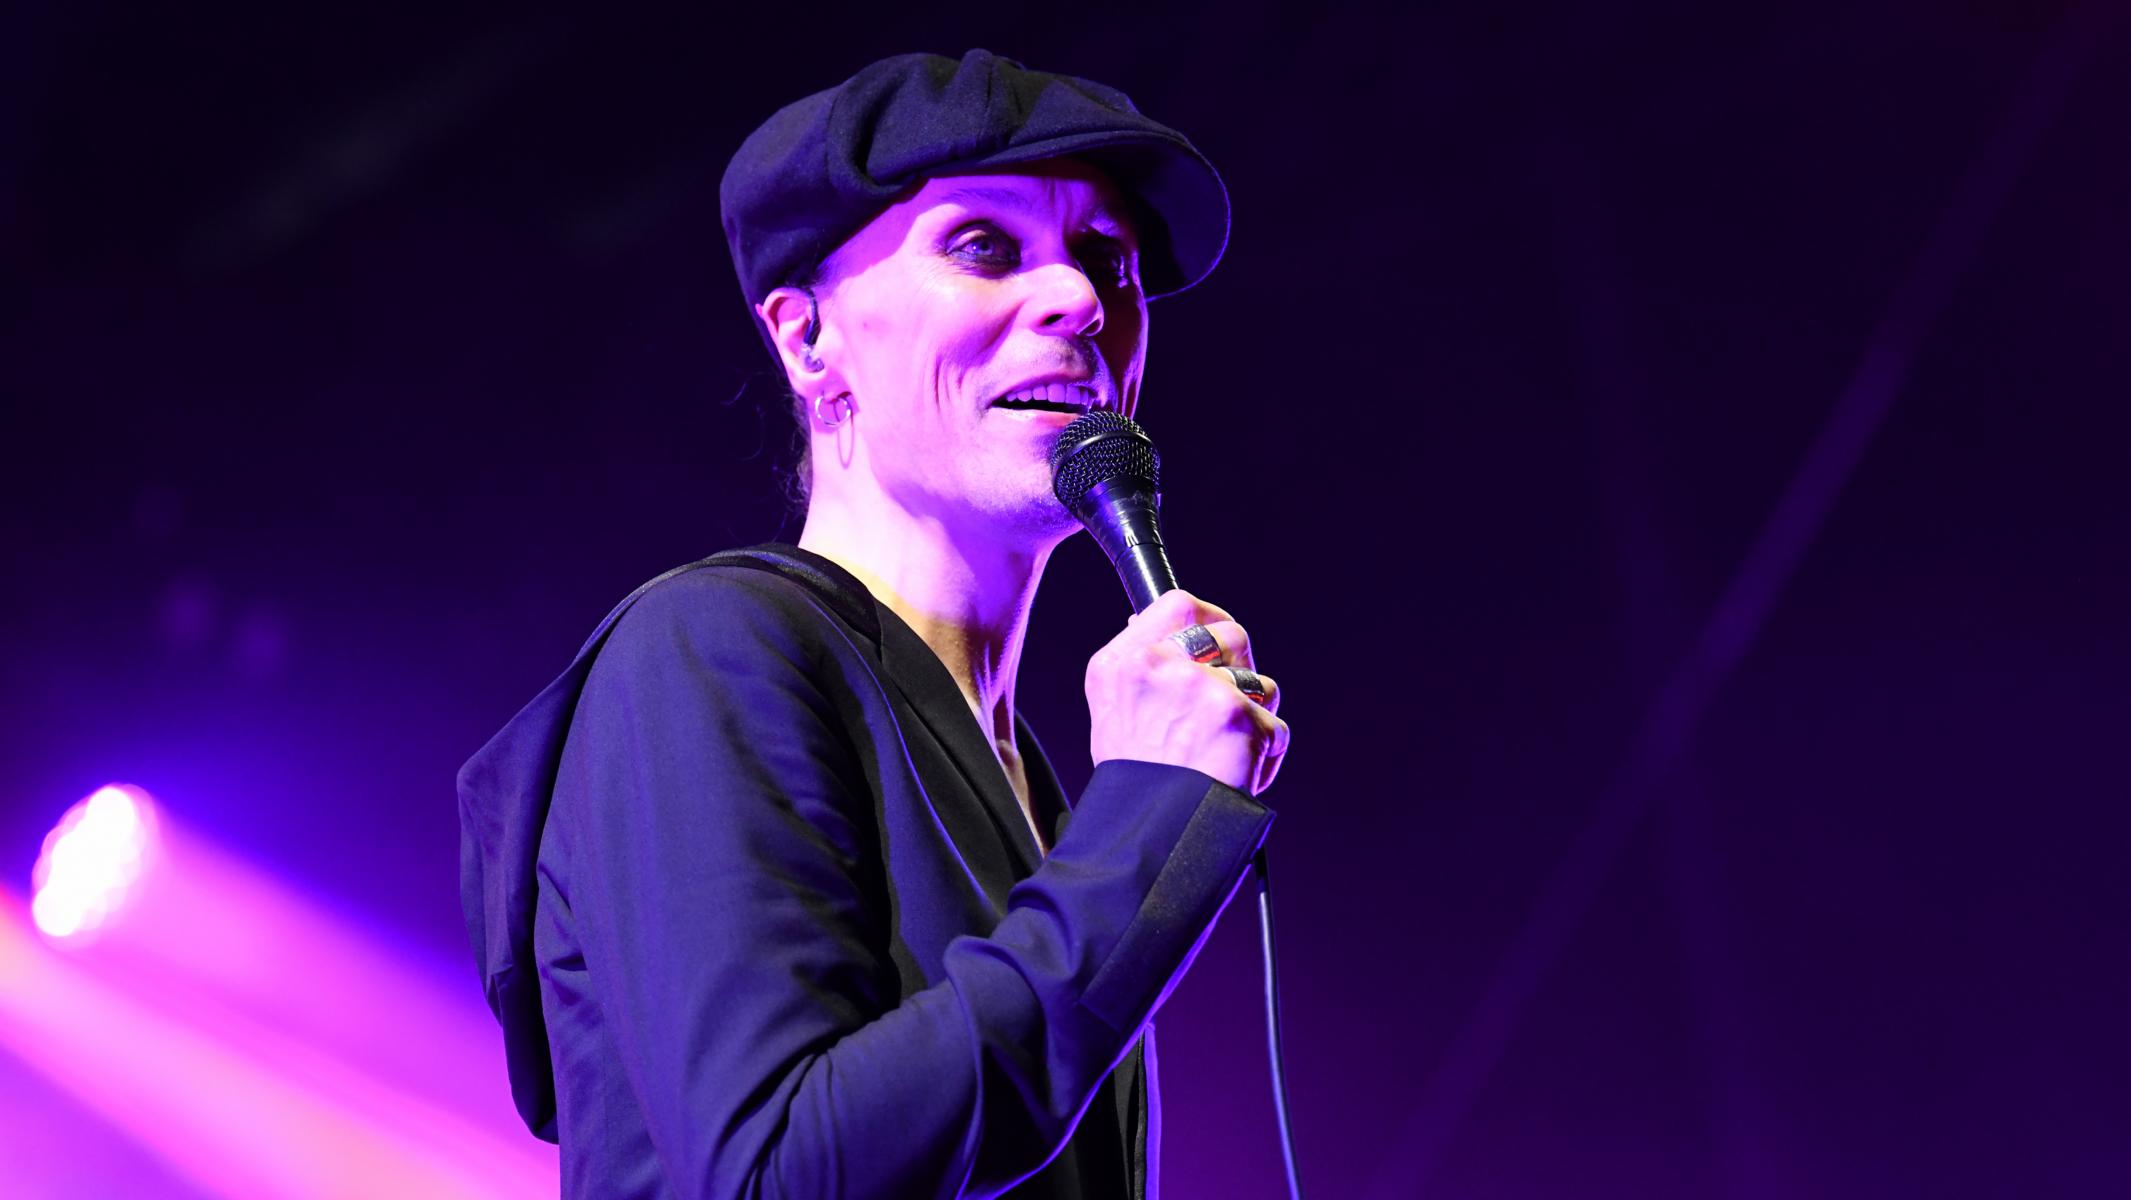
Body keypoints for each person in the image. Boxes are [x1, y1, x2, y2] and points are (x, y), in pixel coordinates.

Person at [459, 49, 1290, 1199]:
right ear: (809, 341)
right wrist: (1149, 826)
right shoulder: (712, 647)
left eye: (1108, 260)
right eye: (984, 246)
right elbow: (776, 1173)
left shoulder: (1041, 788)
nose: (1081, 299)